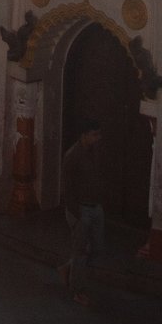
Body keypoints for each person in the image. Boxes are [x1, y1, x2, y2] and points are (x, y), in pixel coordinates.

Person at [61, 123, 108, 299]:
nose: (98, 138)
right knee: (80, 251)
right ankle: (77, 290)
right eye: (94, 135)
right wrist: (76, 213)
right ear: (84, 135)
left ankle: (69, 268)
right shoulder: (72, 156)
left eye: (98, 135)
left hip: (95, 207)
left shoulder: (94, 152)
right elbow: (67, 188)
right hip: (81, 210)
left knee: (97, 248)